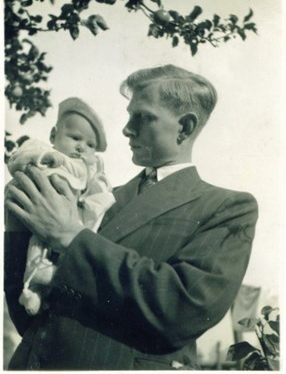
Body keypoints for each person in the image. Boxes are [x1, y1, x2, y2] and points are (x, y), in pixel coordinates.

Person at [5, 64, 258, 370]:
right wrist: (19, 228)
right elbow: (32, 316)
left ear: (185, 127)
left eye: (143, 117)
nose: (126, 129)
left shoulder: (227, 207)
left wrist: (70, 237)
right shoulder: (99, 197)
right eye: (129, 116)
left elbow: (186, 309)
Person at [5, 97, 115, 316]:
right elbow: (18, 159)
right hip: (40, 211)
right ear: (53, 135)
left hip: (71, 219)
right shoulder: (43, 151)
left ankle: (50, 284)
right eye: (75, 137)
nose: (81, 147)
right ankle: (32, 288)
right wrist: (46, 158)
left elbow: (98, 187)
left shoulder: (88, 168)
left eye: (90, 145)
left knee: (75, 246)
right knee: (37, 246)